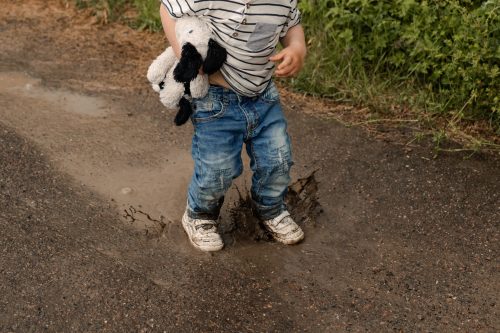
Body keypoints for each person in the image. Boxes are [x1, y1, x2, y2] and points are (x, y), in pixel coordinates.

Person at [159, 0, 307, 251]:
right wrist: (184, 54)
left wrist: (296, 47)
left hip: (263, 96)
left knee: (277, 159)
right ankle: (200, 215)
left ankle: (270, 208)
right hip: (216, 98)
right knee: (218, 168)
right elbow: (167, 9)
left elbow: (292, 25)